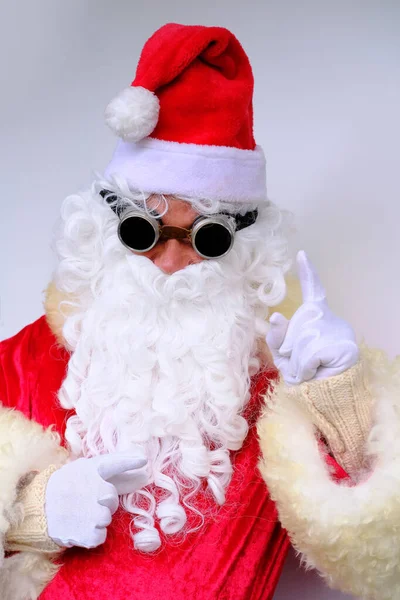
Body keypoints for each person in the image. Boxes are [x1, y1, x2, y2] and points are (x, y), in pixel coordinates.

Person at [0, 22, 398, 600]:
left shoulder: (280, 395)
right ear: (105, 229)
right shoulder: (27, 361)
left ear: (242, 247)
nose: (169, 260)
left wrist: (343, 403)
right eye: (143, 232)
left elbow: (378, 558)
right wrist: (30, 513)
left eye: (205, 239)